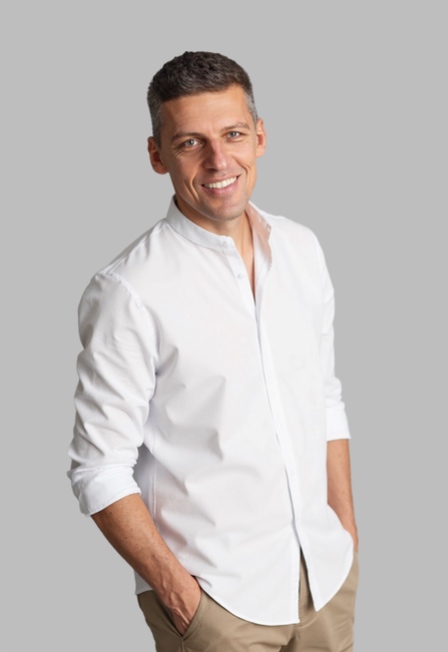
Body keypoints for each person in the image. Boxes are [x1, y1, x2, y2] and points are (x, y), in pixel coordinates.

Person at [68, 51, 359, 652]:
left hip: (325, 581)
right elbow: (97, 468)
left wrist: (345, 534)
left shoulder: (302, 250)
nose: (219, 161)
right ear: (157, 156)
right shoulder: (129, 291)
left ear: (260, 136)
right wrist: (182, 599)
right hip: (217, 603)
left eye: (232, 135)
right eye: (190, 143)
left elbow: (325, 399)